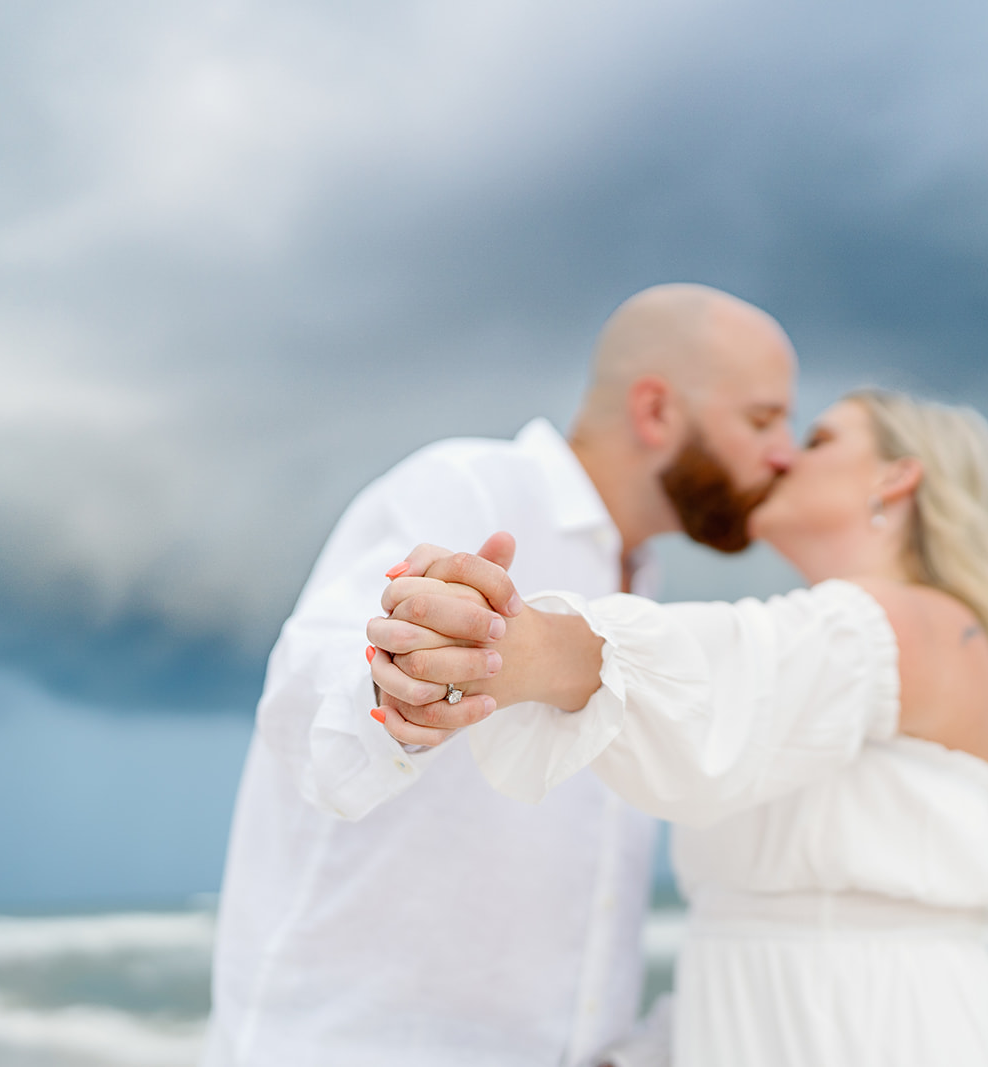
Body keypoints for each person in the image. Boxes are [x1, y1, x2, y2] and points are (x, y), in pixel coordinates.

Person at [202, 284, 799, 1067]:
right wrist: (399, 681)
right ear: (656, 412)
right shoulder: (471, 490)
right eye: (762, 419)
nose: (785, 451)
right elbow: (309, 681)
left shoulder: (641, 585)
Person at [372, 389, 988, 1066]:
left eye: (819, 439)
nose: (783, 456)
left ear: (896, 475)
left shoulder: (921, 624)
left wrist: (527, 646)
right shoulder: (861, 648)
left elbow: (729, 669)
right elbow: (760, 934)